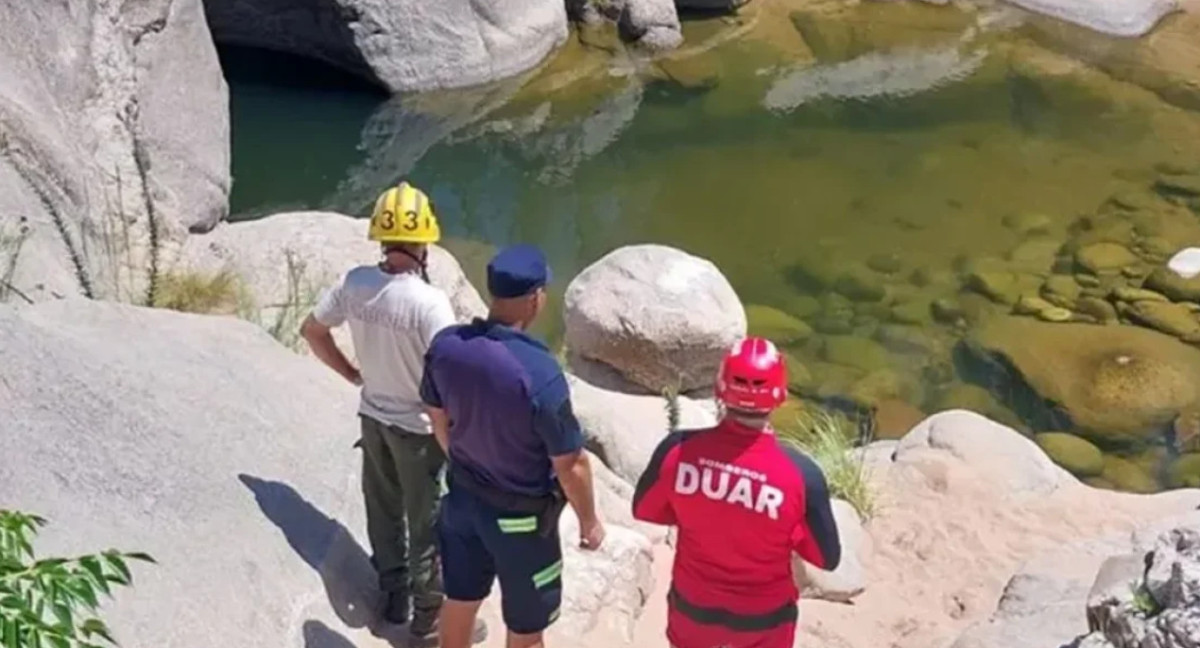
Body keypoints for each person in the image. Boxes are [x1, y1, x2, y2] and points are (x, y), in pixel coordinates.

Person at [300, 181, 485, 646]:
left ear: (381, 237)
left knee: (383, 514)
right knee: (428, 526)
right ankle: (428, 621)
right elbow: (450, 373)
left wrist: (351, 374)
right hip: (419, 432)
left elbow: (312, 331)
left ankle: (393, 598)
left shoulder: (356, 283)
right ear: (424, 242)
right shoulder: (429, 303)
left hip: (374, 419)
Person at [419, 244, 606, 648]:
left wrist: (466, 459)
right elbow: (571, 464)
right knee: (526, 628)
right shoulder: (539, 373)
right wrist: (589, 522)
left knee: (460, 600)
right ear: (535, 298)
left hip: (463, 503)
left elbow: (437, 418)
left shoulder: (447, 346)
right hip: (521, 525)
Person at [632, 336, 842, 648]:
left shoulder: (677, 451)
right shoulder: (801, 475)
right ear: (780, 396)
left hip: (692, 611)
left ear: (720, 390)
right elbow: (827, 558)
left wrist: (701, 509)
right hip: (764, 622)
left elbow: (645, 509)